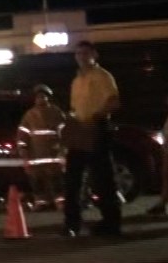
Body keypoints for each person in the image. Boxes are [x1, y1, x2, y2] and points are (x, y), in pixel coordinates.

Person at [62, 40, 122, 237]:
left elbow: (113, 101)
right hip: (80, 129)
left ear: (94, 54)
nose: (81, 57)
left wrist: (97, 116)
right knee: (72, 179)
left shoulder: (102, 76)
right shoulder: (76, 80)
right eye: (78, 54)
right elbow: (74, 108)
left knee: (103, 178)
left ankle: (111, 223)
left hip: (97, 127)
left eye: (85, 53)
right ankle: (72, 223)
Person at [16, 84, 66, 211]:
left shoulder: (56, 112)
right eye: (38, 96)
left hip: (53, 156)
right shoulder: (29, 115)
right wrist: (24, 152)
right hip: (35, 156)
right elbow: (22, 135)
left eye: (43, 96)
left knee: (56, 180)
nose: (41, 99)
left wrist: (63, 151)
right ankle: (41, 202)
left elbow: (65, 133)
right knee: (37, 181)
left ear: (48, 97)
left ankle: (60, 202)